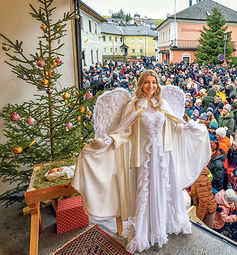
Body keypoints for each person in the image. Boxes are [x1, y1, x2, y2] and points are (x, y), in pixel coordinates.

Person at [72, 70, 211, 252]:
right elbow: (124, 131)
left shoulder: (162, 103)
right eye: (147, 82)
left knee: (163, 188)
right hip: (144, 157)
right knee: (145, 191)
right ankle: (145, 230)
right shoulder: (134, 105)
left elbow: (174, 124)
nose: (151, 86)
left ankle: (163, 224)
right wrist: (108, 140)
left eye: (154, 82)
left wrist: (192, 127)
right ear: (141, 84)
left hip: (163, 155)